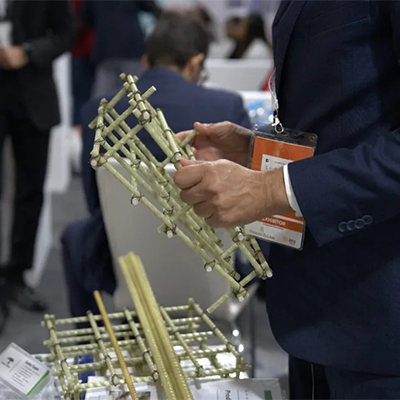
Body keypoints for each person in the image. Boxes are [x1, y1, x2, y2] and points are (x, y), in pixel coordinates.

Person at [174, 1, 400, 398]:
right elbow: (345, 117)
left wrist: (270, 189)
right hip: (315, 305)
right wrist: (257, 154)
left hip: (381, 318)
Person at [61, 11, 251, 318]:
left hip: (125, 266)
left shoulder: (98, 111)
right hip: (215, 269)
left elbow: (95, 202)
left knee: (75, 235)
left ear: (146, 61)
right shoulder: (227, 108)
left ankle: (92, 342)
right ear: (196, 63)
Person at [0, 1, 73, 320]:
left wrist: (27, 52)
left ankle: (17, 275)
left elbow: (66, 35)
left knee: (30, 191)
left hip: (32, 94)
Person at [81, 0, 160, 98]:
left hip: (106, 50)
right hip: (130, 50)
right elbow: (150, 7)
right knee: (135, 97)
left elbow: (86, 19)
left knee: (102, 100)